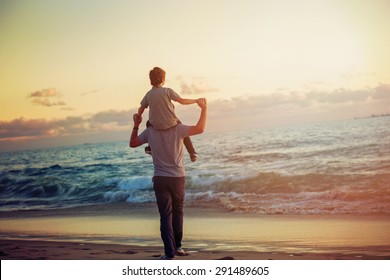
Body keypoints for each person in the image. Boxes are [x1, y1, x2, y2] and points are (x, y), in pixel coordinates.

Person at [130, 97, 207, 260]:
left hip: (160, 178)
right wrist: (203, 108)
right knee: (178, 212)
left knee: (166, 216)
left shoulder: (150, 130)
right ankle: (177, 247)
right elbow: (199, 129)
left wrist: (136, 124)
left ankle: (168, 253)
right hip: (178, 178)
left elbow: (133, 143)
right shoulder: (178, 128)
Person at [137, 67, 202, 162]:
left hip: (156, 125)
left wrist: (138, 116)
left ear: (151, 80)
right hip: (171, 123)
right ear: (163, 79)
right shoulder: (167, 91)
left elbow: (141, 108)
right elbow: (182, 101)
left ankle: (150, 147)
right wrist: (196, 101)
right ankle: (192, 153)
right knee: (183, 130)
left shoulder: (148, 94)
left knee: (148, 123)